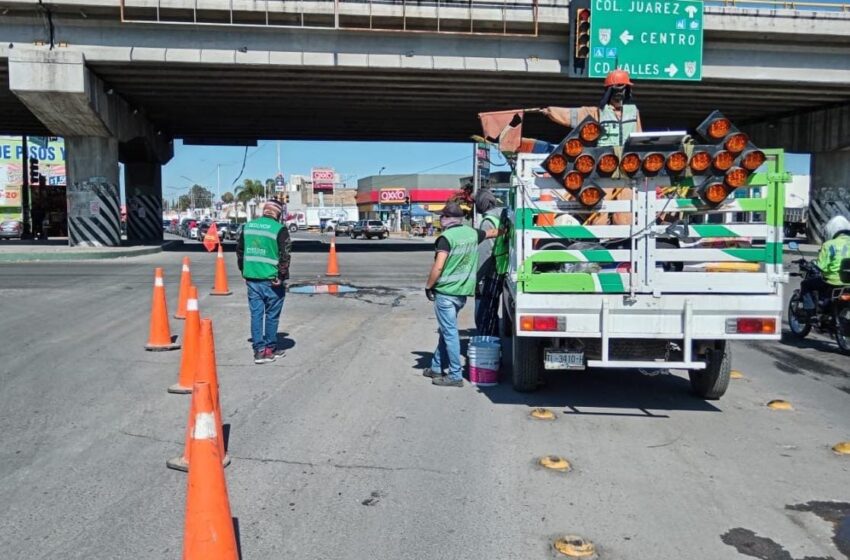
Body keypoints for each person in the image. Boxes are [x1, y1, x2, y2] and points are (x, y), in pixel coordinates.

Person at [424, 202, 500, 387]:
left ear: (448, 219)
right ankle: (435, 366)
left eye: (442, 216)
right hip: (462, 294)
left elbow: (439, 266)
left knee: (450, 333)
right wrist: (508, 228)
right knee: (446, 330)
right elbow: (494, 232)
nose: (440, 219)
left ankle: (455, 375)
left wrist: (429, 286)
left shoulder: (446, 238)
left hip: (446, 293)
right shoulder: (472, 233)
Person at [236, 199, 293, 364]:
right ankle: (270, 348)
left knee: (256, 315)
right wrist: (281, 277)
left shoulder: (248, 227)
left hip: (252, 278)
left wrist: (244, 271)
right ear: (278, 214)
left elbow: (239, 251)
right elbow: (285, 256)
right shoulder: (280, 229)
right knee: (272, 316)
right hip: (272, 280)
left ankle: (259, 350)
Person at [474, 189, 509, 337]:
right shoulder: (503, 216)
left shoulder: (489, 222)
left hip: (491, 271)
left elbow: (484, 254)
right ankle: (493, 342)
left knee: (483, 313)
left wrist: (476, 279)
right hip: (503, 267)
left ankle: (488, 345)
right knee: (492, 309)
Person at [801, 215, 850, 309]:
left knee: (805, 284)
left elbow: (820, 266)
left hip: (833, 282)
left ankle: (811, 314)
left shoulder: (829, 245)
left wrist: (811, 265)